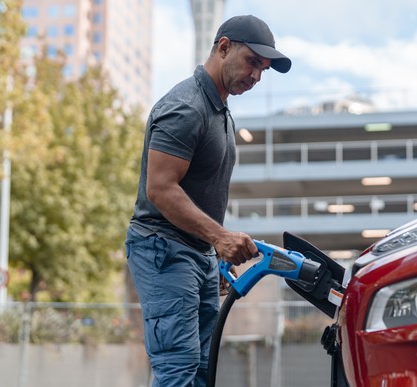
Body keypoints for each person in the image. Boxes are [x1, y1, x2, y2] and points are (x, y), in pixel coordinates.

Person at [125, 15, 292, 387]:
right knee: (179, 368)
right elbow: (161, 189)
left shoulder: (221, 112)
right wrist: (219, 238)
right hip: (163, 248)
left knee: (203, 369)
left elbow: (201, 193)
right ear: (223, 47)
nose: (257, 76)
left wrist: (212, 254)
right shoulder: (186, 107)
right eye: (252, 62)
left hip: (196, 253)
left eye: (263, 69)